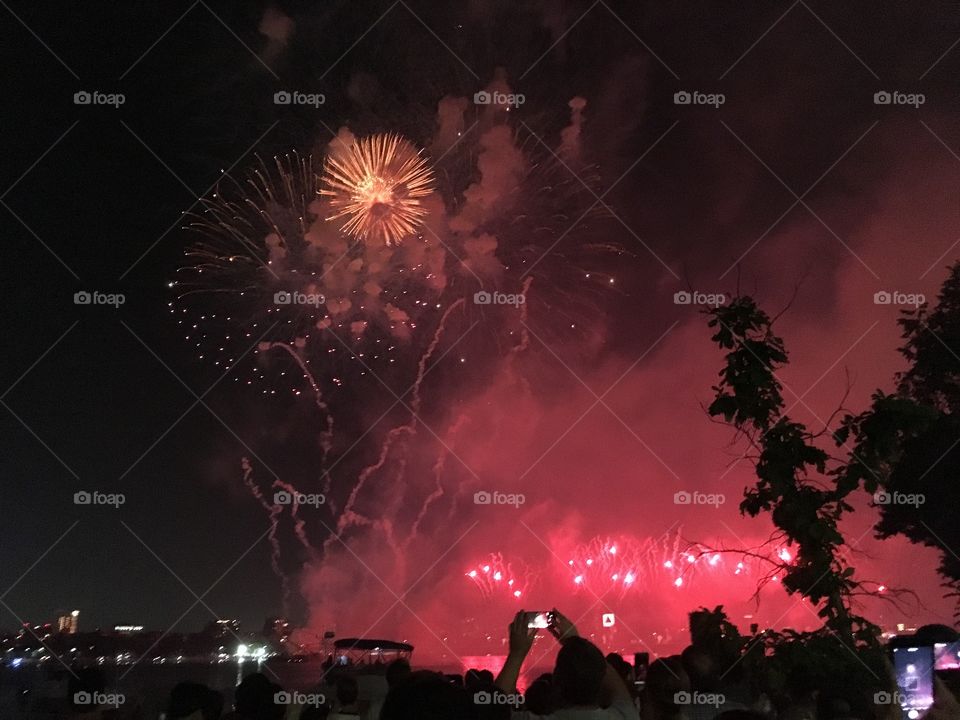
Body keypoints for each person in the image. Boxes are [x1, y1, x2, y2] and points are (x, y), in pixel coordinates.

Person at [495, 608, 639, 719]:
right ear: (600, 682)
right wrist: (575, 642)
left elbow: (494, 709)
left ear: (556, 682)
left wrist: (516, 654)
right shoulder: (624, 716)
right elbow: (616, 688)